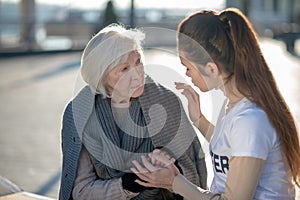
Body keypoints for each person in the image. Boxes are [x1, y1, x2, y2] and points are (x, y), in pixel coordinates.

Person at [131, 8, 300, 200]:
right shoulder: (234, 104)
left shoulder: (250, 120)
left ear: (211, 68)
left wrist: (174, 182)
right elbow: (231, 148)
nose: (186, 74)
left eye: (187, 66)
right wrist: (199, 119)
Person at [58, 24, 207, 200]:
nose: (138, 74)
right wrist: (130, 183)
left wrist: (171, 173)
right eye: (124, 69)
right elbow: (81, 191)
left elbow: (192, 176)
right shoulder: (80, 115)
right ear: (101, 76)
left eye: (138, 62)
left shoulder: (166, 102)